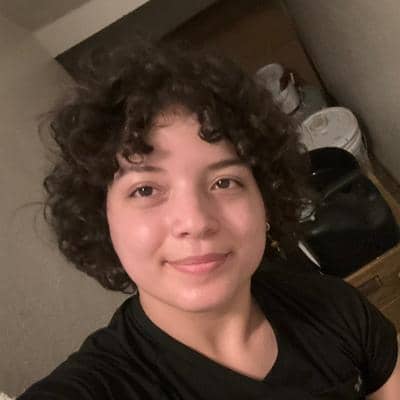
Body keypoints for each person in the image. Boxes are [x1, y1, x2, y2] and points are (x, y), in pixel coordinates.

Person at [18, 40, 399, 399]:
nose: (196, 221)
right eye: (145, 190)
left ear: (264, 200)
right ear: (103, 221)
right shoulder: (101, 385)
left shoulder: (336, 307)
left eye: (224, 182)